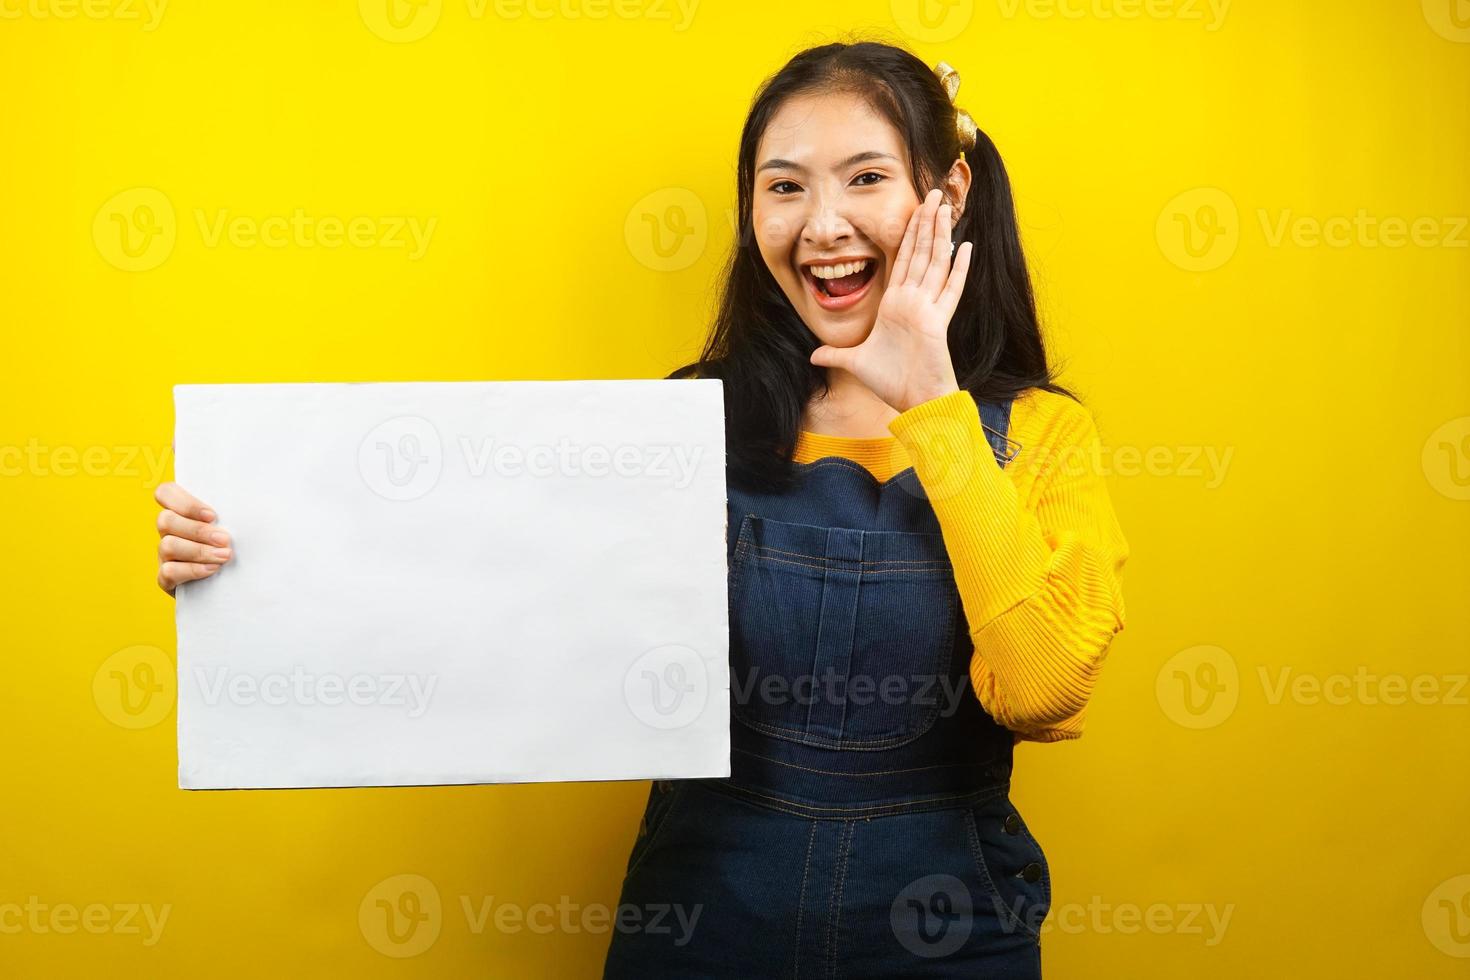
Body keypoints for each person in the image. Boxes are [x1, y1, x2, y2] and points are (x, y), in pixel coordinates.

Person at [153, 38, 1128, 979]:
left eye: (864, 178)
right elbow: (484, 597)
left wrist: (935, 408)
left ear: (946, 196)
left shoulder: (1036, 435)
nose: (822, 224)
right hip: (706, 921)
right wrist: (249, 566)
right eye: (784, 186)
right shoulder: (686, 421)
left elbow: (1042, 686)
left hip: (948, 929)